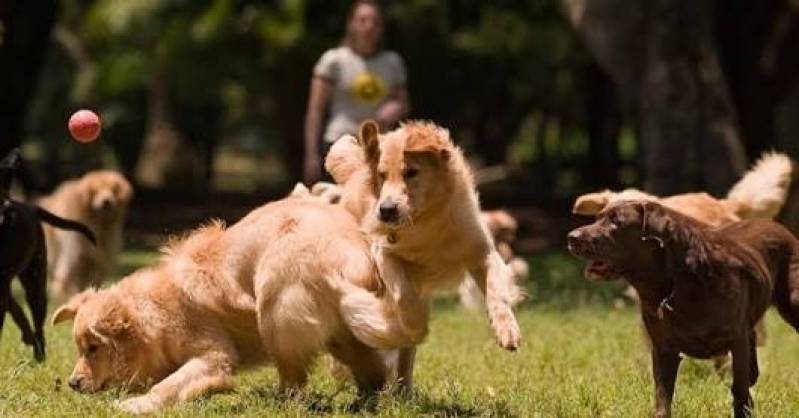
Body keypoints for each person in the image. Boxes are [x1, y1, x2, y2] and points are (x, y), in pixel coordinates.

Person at [303, 0, 409, 183]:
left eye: (375, 22)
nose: (369, 26)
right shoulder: (333, 61)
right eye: (363, 20)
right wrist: (311, 155)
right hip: (340, 145)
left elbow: (403, 103)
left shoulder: (392, 63)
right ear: (351, 24)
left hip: (379, 148)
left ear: (381, 29)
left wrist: (395, 108)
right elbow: (315, 111)